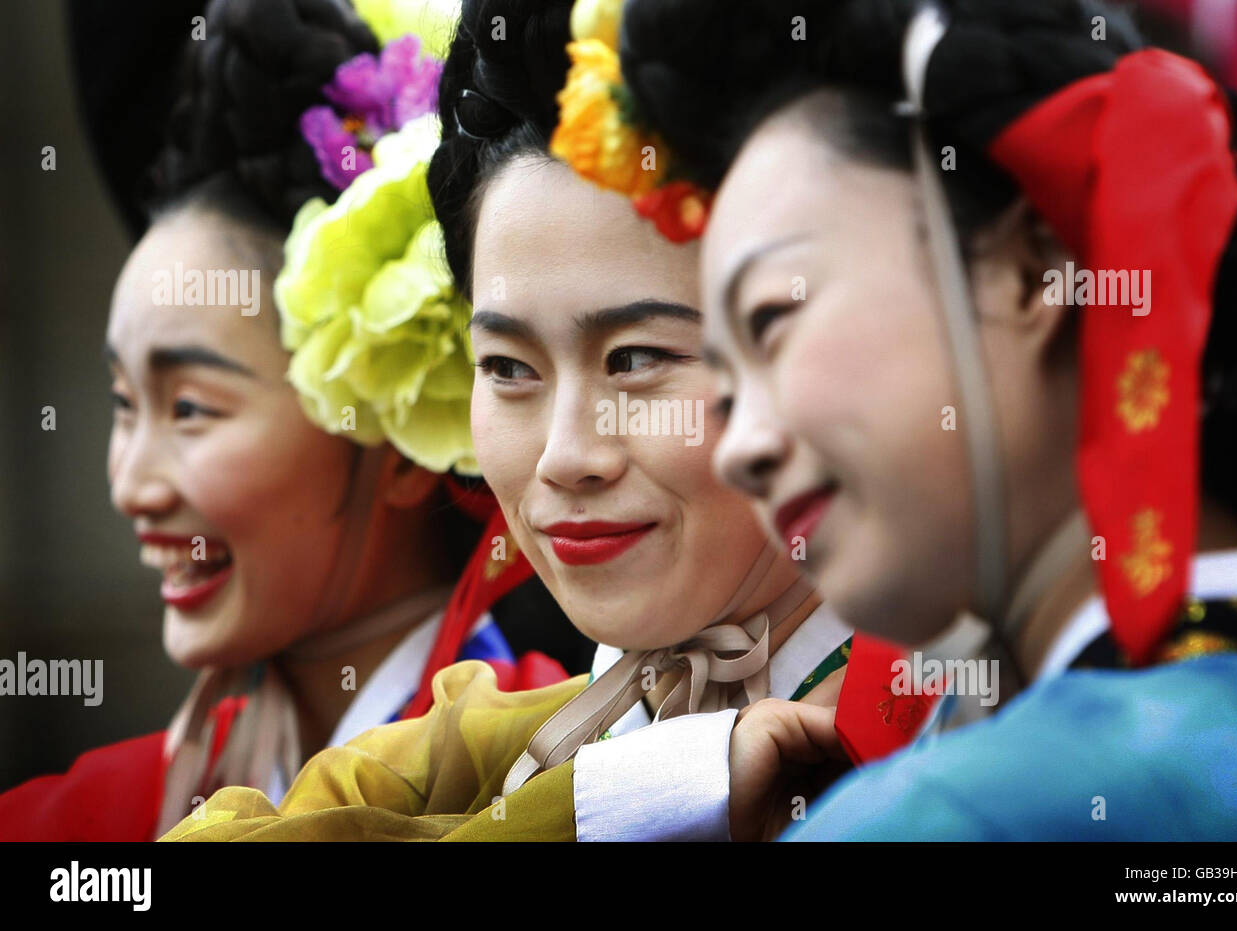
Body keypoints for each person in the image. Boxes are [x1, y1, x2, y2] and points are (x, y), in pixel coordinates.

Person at [551, 0, 1237, 839]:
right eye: (724, 384)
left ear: (1026, 272)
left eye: (772, 321)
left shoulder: (946, 814)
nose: (740, 450)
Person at [159, 0, 885, 844]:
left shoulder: (929, 734)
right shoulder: (510, 733)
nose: (565, 454)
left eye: (637, 357)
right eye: (507, 368)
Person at [0, 0, 578, 842]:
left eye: (190, 408)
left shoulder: (574, 761)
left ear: (401, 425)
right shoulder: (93, 818)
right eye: (125, 403)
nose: (129, 483)